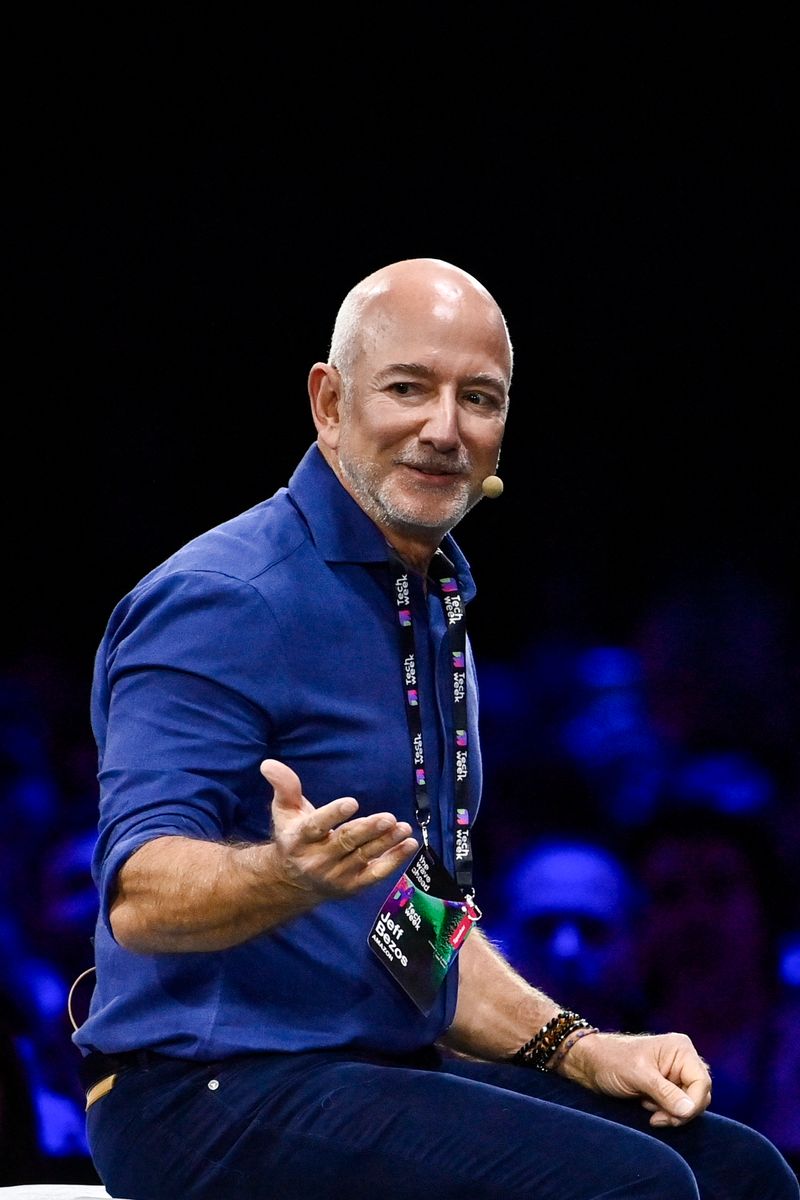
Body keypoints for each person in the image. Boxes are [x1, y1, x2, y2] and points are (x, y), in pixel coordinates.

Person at [74, 257, 799, 1199]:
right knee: (635, 1190)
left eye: (480, 398)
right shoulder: (225, 599)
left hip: (362, 1066)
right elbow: (138, 892)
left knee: (743, 1174)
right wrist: (283, 875)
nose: (445, 429)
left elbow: (413, 931)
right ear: (329, 403)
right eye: (408, 388)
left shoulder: (427, 597)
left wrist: (580, 1050)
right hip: (198, 1093)